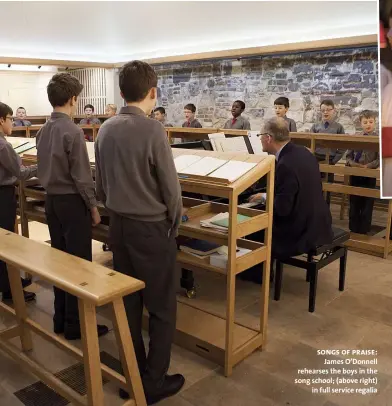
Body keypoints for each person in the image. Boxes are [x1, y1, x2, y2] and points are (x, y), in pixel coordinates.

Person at [95, 60, 184, 404]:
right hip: (151, 228)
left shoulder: (105, 129)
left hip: (119, 226)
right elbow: (171, 190)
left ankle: (133, 374)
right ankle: (153, 382)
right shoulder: (152, 130)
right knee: (161, 307)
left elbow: (100, 184)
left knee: (129, 303)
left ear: (120, 92)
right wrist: (174, 223)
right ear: (153, 92)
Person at [36, 73, 108, 341]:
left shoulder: (43, 130)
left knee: (60, 262)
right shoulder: (73, 131)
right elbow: (81, 175)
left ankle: (61, 318)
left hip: (52, 201)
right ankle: (76, 325)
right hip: (71, 202)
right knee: (79, 266)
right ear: (72, 99)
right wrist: (93, 206)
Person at [249, 117, 333, 261]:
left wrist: (264, 199)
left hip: (300, 230)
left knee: (252, 226)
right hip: (319, 220)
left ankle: (258, 274)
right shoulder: (304, 152)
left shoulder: (284, 165)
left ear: (268, 138)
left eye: (260, 136)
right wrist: (267, 195)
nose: (260, 139)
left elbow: (282, 209)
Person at [0, 102, 37, 302]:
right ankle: (10, 290)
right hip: (3, 196)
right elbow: (21, 173)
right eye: (10, 118)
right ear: (1, 120)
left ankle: (8, 282)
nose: (12, 122)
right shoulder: (3, 145)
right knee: (7, 243)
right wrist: (40, 166)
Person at [346, 110, 379, 234]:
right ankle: (353, 228)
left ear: (375, 123)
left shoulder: (378, 139)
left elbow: (379, 159)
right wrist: (356, 165)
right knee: (354, 202)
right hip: (355, 173)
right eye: (365, 122)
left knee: (367, 203)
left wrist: (368, 166)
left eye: (371, 122)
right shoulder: (355, 138)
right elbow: (348, 157)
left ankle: (364, 229)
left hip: (369, 175)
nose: (368, 124)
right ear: (360, 123)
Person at [310, 99, 345, 205]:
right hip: (315, 158)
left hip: (330, 159)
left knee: (327, 187)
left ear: (333, 111)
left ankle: (326, 211)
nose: (325, 112)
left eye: (328, 110)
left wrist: (334, 160)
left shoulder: (338, 127)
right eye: (323, 110)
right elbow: (310, 144)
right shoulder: (315, 126)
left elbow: (343, 146)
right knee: (314, 185)